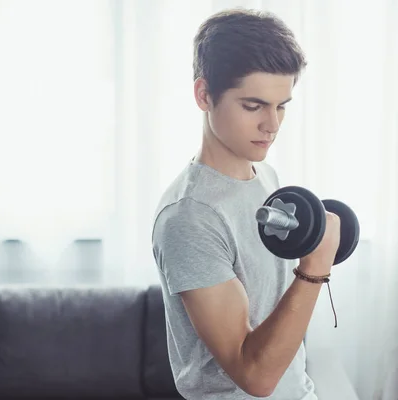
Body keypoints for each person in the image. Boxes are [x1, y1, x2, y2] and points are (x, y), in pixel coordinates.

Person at [151, 8, 342, 400]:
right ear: (204, 95)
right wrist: (315, 268)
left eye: (282, 105)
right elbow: (255, 377)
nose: (272, 125)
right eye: (253, 106)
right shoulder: (190, 218)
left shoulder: (265, 176)